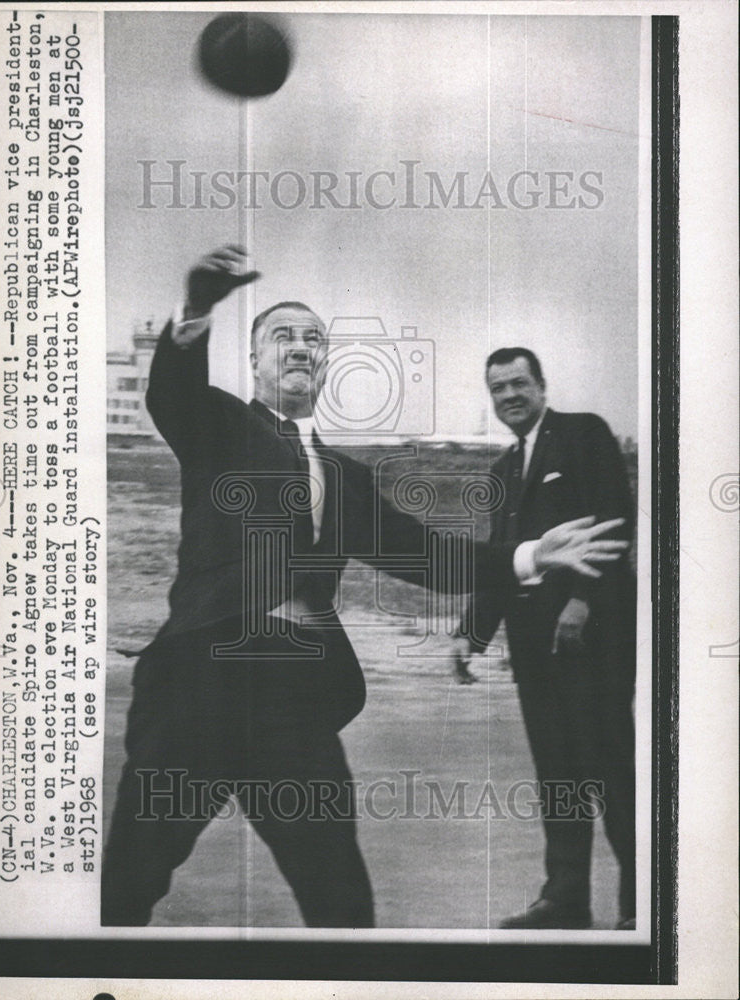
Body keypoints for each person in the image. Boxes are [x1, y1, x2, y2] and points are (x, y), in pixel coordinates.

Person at [101, 248, 629, 927]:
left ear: (324, 365)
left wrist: (529, 554)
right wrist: (198, 309)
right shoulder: (222, 430)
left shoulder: (345, 477)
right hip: (197, 693)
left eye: (312, 338)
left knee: (342, 903)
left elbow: (425, 554)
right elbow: (171, 393)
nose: (299, 347)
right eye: (281, 337)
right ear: (256, 363)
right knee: (128, 888)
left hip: (293, 706)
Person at [452, 347, 637, 930]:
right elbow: (503, 564)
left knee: (609, 771)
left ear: (542, 385)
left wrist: (584, 601)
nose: (509, 396)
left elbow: (615, 519)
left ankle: (645, 902)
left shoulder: (583, 435)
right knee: (556, 772)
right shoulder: (502, 470)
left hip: (593, 640)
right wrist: (470, 636)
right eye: (498, 388)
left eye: (518, 383)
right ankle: (565, 899)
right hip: (533, 649)